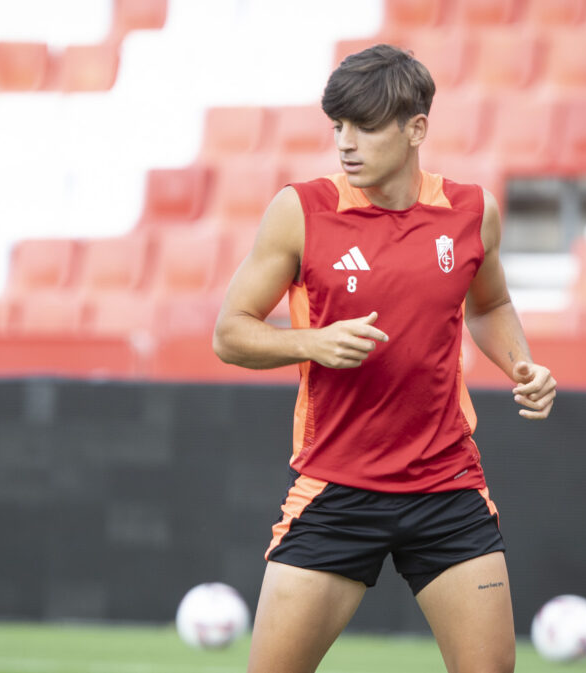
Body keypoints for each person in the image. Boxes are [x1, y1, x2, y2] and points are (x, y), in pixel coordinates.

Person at [212, 44, 557, 673]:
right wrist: (310, 342)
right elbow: (229, 333)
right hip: (336, 489)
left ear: (415, 128)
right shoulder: (301, 211)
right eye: (338, 125)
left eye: (364, 126)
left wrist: (521, 366)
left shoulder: (472, 214)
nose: (346, 142)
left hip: (446, 486)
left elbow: (489, 305)